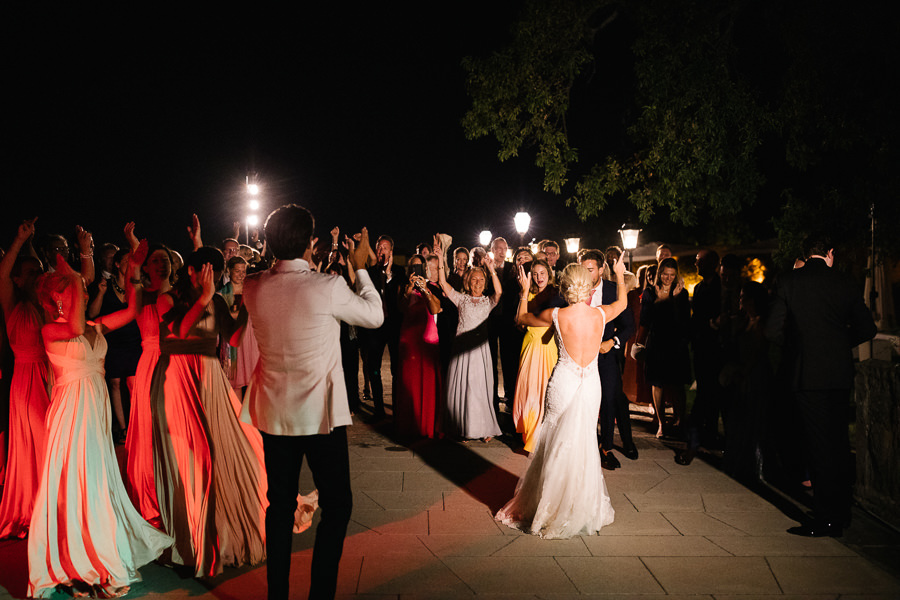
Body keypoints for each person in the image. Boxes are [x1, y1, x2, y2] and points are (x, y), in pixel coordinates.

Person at [241, 205, 383, 600]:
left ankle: (278, 595)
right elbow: (375, 316)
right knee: (337, 505)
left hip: (273, 412)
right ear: (311, 242)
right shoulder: (327, 285)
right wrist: (361, 268)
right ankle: (321, 592)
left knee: (279, 504)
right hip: (320, 416)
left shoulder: (253, 285)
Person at [28, 248, 173, 599]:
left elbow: (133, 311)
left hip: (96, 410)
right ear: (56, 298)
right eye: (68, 290)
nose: (77, 293)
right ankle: (75, 559)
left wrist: (133, 271)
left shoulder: (96, 326)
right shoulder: (51, 330)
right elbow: (74, 324)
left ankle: (99, 544)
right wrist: (77, 276)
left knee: (96, 478)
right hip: (72, 413)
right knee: (76, 479)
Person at [152, 246, 287, 577]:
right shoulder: (168, 299)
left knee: (236, 447)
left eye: (216, 270)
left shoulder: (215, 301)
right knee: (189, 458)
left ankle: (220, 528)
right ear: (193, 272)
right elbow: (180, 331)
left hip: (210, 379)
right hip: (176, 379)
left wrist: (247, 307)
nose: (210, 278)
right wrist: (205, 297)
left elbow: (236, 339)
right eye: (206, 271)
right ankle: (190, 539)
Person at [495, 258, 627, 538]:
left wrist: (524, 291)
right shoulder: (600, 314)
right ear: (590, 286)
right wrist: (619, 275)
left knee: (555, 441)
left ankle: (549, 505)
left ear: (565, 287)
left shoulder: (556, 314)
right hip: (591, 383)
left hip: (563, 382)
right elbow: (624, 305)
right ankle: (578, 505)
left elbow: (520, 318)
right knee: (584, 441)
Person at [765, 233, 876, 538]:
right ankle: (841, 511)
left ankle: (828, 517)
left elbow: (772, 330)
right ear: (830, 253)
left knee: (817, 445)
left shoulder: (790, 281)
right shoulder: (844, 282)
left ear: (807, 254)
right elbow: (868, 328)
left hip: (806, 375)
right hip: (839, 374)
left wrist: (798, 349)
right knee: (838, 443)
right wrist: (840, 345)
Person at [0, 219, 51, 539]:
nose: (36, 276)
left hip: (50, 376)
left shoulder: (48, 304)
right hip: (24, 379)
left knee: (50, 443)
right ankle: (32, 504)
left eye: (38, 271)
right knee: (35, 442)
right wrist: (19, 241)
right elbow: (1, 273)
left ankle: (50, 501)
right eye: (29, 272)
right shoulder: (12, 305)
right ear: (18, 279)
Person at [123, 239, 174, 529]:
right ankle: (152, 495)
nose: (161, 264)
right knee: (150, 429)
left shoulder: (180, 294)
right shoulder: (141, 295)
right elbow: (132, 283)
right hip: (150, 363)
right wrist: (135, 259)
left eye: (165, 259)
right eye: (155, 260)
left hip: (177, 361)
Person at [435, 237, 502, 442]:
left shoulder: (488, 301)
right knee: (464, 388)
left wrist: (491, 270)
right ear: (467, 281)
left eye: (481, 280)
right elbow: (443, 284)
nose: (477, 283)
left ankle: (482, 428)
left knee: (479, 389)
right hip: (462, 350)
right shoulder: (461, 299)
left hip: (480, 352)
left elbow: (499, 292)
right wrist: (440, 260)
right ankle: (462, 427)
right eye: (474, 279)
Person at [581, 250, 637, 467]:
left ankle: (606, 448)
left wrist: (612, 342)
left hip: (606, 355)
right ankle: (584, 444)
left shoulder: (614, 291)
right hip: (579, 355)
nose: (585, 275)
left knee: (609, 400)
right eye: (582, 270)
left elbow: (628, 326)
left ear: (601, 269)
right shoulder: (574, 289)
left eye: (590, 270)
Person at [512, 258, 565, 452]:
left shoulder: (557, 294)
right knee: (529, 393)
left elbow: (556, 321)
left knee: (545, 392)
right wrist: (524, 291)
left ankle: (543, 439)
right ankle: (530, 436)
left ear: (549, 273)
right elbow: (519, 321)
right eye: (534, 274)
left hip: (548, 346)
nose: (538, 277)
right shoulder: (528, 293)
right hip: (529, 345)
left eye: (542, 273)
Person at [679, 249, 723, 465]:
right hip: (701, 347)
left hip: (717, 348)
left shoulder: (721, 288)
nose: (696, 265)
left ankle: (699, 438)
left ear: (712, 264)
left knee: (709, 394)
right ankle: (708, 436)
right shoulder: (697, 288)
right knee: (707, 392)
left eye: (699, 262)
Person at [638, 256, 691, 438]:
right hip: (657, 341)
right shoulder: (650, 293)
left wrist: (673, 300)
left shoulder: (681, 293)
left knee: (677, 384)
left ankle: (680, 420)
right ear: (659, 273)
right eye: (665, 274)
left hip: (675, 342)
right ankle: (661, 423)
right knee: (657, 383)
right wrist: (661, 301)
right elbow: (645, 319)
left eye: (671, 275)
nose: (668, 278)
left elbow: (684, 321)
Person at [395, 254, 442, 438]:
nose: (416, 271)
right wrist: (408, 291)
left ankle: (427, 425)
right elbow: (400, 309)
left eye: (419, 267)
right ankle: (409, 425)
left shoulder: (431, 288)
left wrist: (425, 289)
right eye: (413, 268)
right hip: (408, 339)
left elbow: (435, 309)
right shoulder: (404, 288)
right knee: (410, 381)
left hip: (428, 339)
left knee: (428, 381)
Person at [360, 234, 405, 421]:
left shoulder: (400, 271)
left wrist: (388, 277)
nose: (381, 251)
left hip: (394, 325)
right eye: (379, 248)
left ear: (391, 251)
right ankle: (378, 407)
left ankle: (397, 406)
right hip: (375, 327)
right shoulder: (369, 272)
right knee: (374, 367)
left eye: (385, 248)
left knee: (396, 369)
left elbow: (399, 297)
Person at [218, 255, 260, 398]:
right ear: (229, 271)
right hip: (233, 337)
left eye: (243, 271)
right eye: (237, 271)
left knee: (254, 379)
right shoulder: (221, 294)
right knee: (235, 380)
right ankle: (236, 416)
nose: (241, 275)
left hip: (251, 339)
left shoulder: (252, 290)